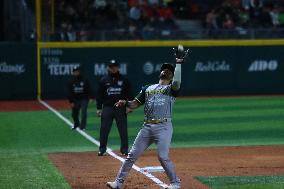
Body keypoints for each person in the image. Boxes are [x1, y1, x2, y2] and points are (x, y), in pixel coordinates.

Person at [106, 46, 188, 189]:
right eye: (164, 68)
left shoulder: (171, 89)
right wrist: (125, 102)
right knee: (131, 156)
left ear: (172, 74)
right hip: (147, 127)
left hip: (164, 127)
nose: (165, 70)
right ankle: (118, 183)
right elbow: (133, 105)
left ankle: (175, 183)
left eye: (169, 70)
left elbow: (177, 82)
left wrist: (178, 63)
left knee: (162, 156)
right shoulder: (148, 88)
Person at [96, 60, 133, 156]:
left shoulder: (124, 79)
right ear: (108, 68)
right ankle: (102, 149)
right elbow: (99, 95)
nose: (113, 68)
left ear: (118, 67)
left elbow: (129, 93)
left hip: (120, 108)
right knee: (104, 129)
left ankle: (124, 149)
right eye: (111, 67)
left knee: (123, 129)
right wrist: (99, 108)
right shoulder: (104, 80)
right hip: (107, 107)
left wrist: (130, 106)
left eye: (115, 66)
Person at [68, 66, 91, 130]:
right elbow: (70, 92)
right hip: (75, 99)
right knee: (74, 114)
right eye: (74, 71)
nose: (76, 72)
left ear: (79, 72)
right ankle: (76, 124)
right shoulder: (71, 81)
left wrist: (89, 98)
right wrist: (71, 101)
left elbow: (88, 89)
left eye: (77, 71)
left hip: (84, 99)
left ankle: (82, 126)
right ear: (73, 72)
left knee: (83, 113)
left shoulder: (84, 79)